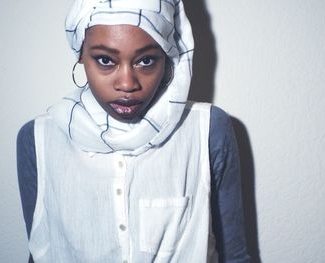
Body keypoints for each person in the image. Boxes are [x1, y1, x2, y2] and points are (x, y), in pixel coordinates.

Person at [17, 0, 250, 262]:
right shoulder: (40, 138)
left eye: (146, 61)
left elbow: (235, 255)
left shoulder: (207, 129)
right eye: (105, 60)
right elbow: (40, 251)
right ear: (80, 53)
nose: (127, 83)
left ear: (168, 56)